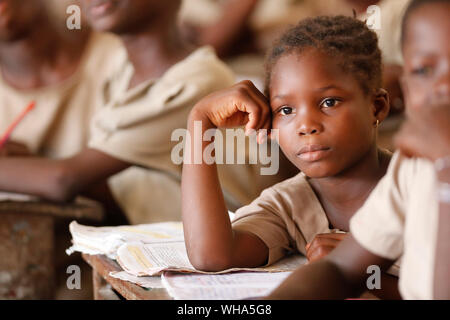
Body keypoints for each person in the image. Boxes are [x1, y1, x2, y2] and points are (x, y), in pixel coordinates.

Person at [181, 15, 401, 299]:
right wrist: (200, 121)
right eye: (286, 110)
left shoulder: (419, 187)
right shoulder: (290, 204)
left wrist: (358, 274)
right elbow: (211, 256)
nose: (306, 125)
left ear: (376, 107)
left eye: (329, 102)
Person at [267, 0, 450, 300]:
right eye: (424, 70)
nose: (442, 86)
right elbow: (342, 270)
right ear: (406, 85)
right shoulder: (414, 166)